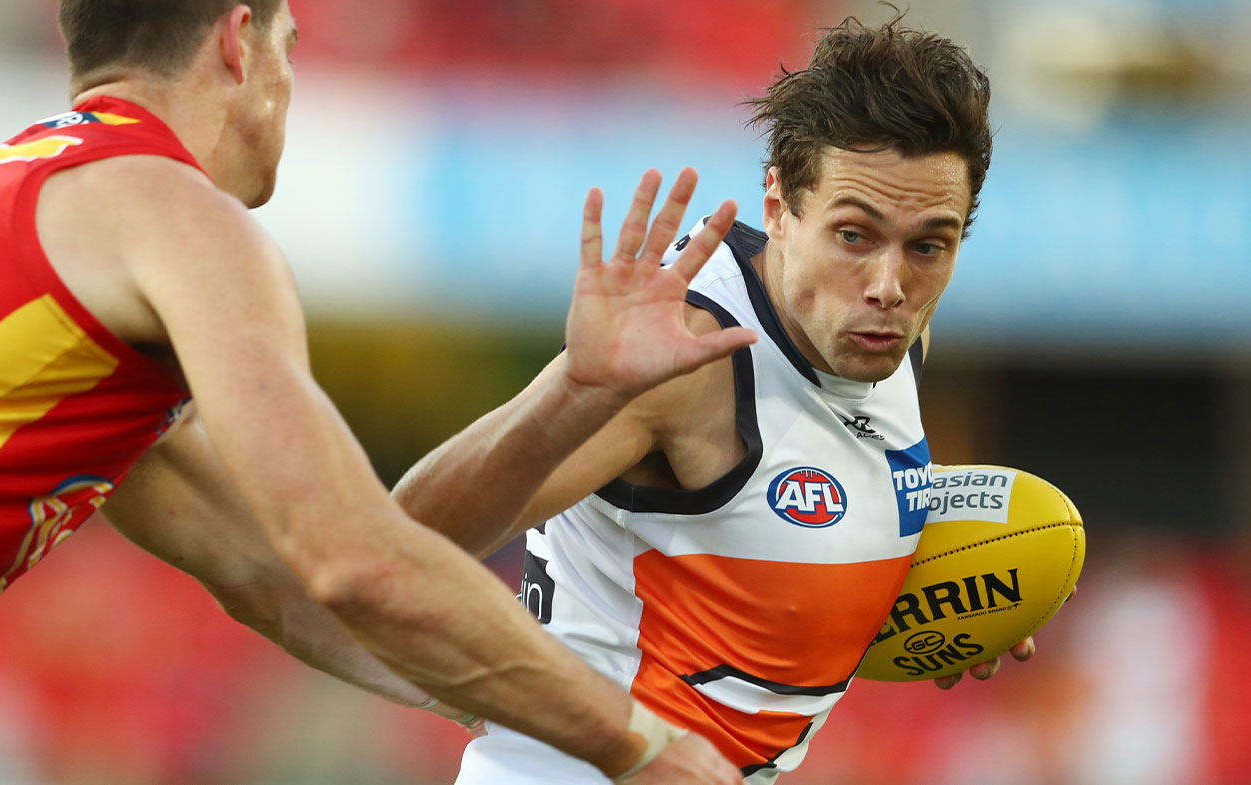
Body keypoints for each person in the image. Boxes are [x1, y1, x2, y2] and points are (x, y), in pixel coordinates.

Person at [0, 2, 757, 783]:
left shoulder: (31, 206)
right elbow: (351, 554)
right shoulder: (177, 213)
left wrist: (532, 713)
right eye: (292, 43)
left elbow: (272, 577)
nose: (291, 79)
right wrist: (633, 740)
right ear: (240, 44)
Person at [394, 14, 1037, 785]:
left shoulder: (888, 342)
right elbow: (396, 544)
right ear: (778, 207)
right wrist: (575, 390)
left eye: (929, 245)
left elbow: (775, 533)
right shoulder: (685, 356)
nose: (889, 286)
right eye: (854, 236)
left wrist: (946, 600)